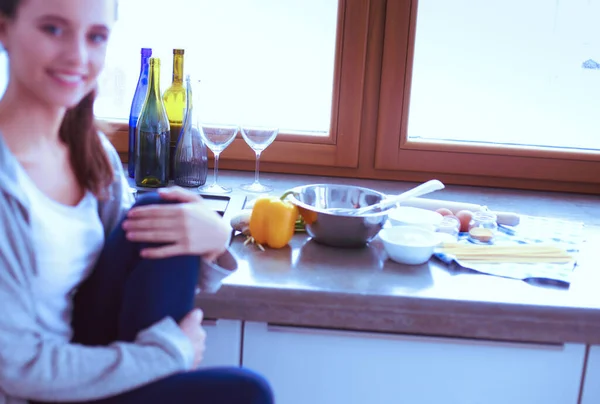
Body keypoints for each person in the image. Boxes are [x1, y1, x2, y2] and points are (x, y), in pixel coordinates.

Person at [0, 0, 274, 403]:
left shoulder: (89, 152)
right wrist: (171, 352)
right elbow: (21, 371)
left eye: (95, 37)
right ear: (4, 28)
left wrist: (215, 240)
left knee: (164, 213)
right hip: (35, 386)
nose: (78, 55)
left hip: (88, 360)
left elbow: (139, 265)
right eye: (53, 29)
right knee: (247, 394)